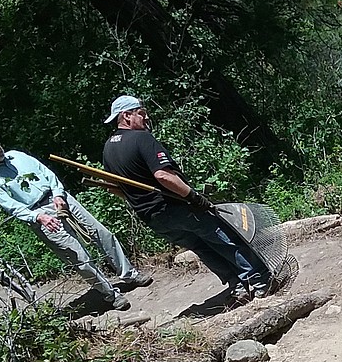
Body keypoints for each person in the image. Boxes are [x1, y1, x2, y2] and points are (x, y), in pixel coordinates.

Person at [100, 95, 270, 303]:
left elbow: (115, 188)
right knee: (222, 238)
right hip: (174, 205)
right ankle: (260, 280)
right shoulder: (142, 139)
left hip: (153, 219)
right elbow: (163, 175)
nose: (146, 118)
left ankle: (237, 286)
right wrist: (192, 196)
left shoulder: (108, 149)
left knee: (201, 247)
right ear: (126, 116)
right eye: (141, 113)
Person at [0, 132, 151, 310]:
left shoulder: (17, 155)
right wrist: (38, 217)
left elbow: (46, 172)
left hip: (60, 198)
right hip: (38, 214)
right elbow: (10, 205)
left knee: (102, 233)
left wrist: (57, 193)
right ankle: (110, 295)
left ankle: (130, 274)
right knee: (78, 256)